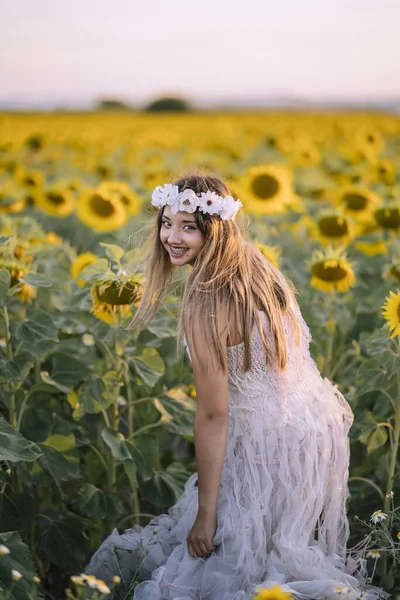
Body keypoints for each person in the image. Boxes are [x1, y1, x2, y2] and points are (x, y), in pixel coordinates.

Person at [85, 171, 387, 600]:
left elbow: (214, 413)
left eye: (189, 226)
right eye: (167, 222)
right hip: (308, 429)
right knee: (273, 550)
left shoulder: (207, 300)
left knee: (220, 557)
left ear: (215, 228)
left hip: (260, 437)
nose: (172, 236)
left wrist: (206, 515)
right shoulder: (257, 268)